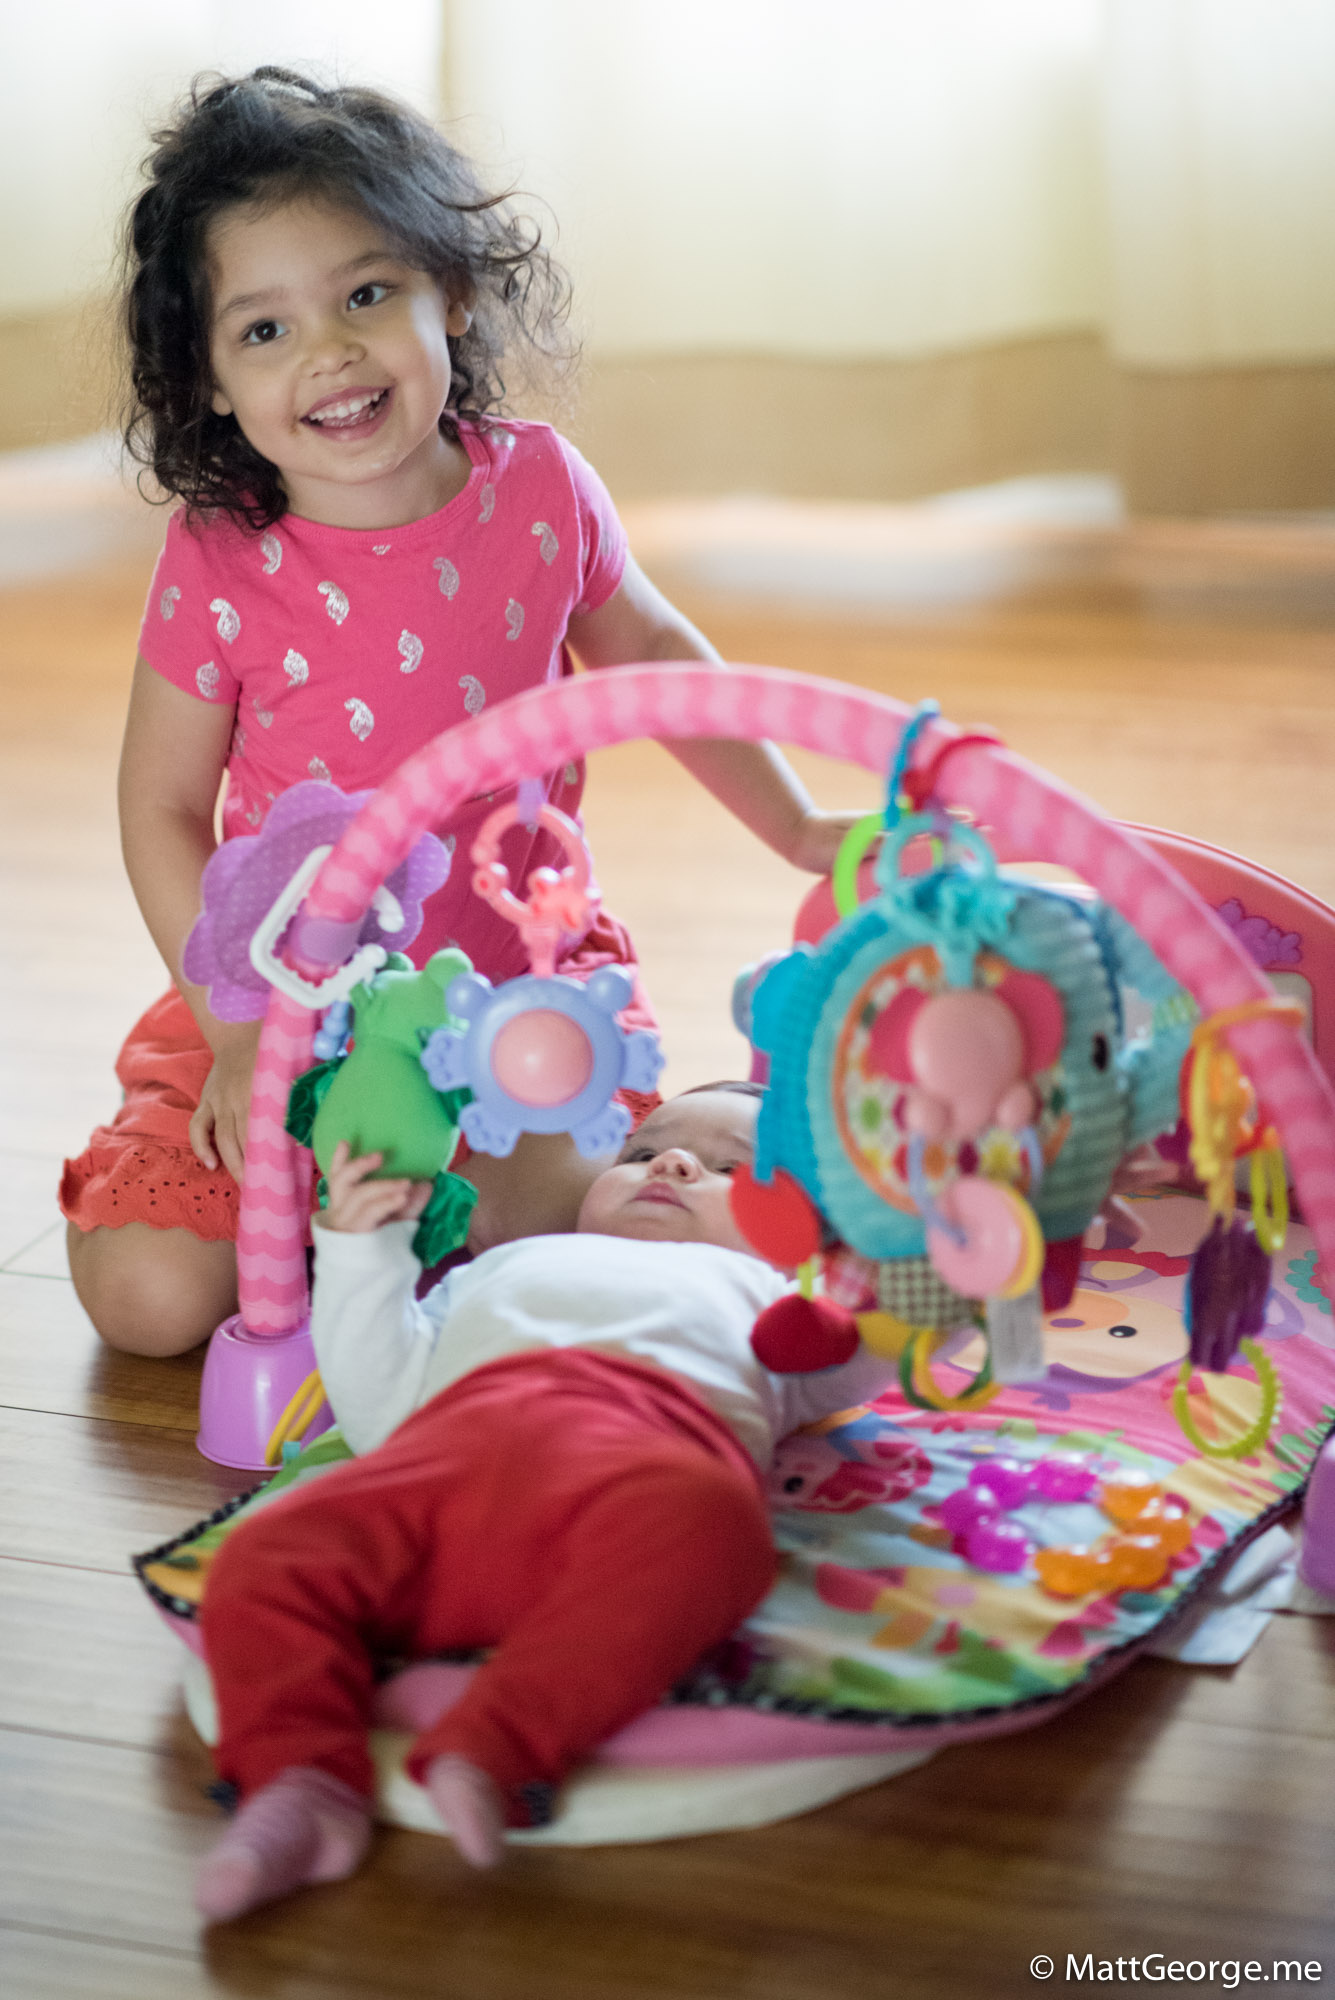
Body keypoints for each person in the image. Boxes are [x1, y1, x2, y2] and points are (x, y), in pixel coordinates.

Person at [59, 68, 863, 1358]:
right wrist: (235, 1036)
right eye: (263, 330)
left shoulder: (540, 490)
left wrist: (796, 822)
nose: (328, 351)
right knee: (153, 1303)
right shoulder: (221, 554)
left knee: (566, 1247)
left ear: (455, 293)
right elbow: (158, 805)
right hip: (281, 999)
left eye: (367, 295)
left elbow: (653, 653)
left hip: (505, 988)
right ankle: (309, 1204)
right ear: (207, 380)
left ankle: (377, 1225)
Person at [192, 1083, 896, 1921]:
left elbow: (901, 1338)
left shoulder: (777, 1308)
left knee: (716, 1531)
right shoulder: (506, 1263)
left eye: (731, 1170)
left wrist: (934, 1251)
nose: (670, 1163)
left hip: (641, 1475)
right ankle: (298, 1783)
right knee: (264, 1554)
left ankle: (498, 1747)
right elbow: (381, 1406)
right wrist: (357, 1254)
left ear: (799, 1242)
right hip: (447, 1468)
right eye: (640, 1153)